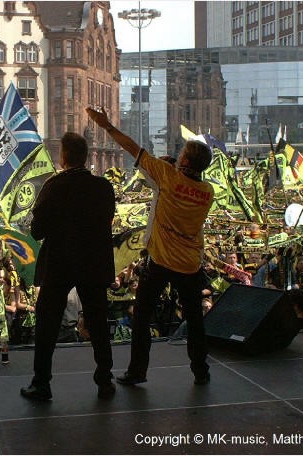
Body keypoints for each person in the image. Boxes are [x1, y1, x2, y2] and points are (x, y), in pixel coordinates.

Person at [87, 106, 214, 386]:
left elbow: (134, 148)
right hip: (190, 264)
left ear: (185, 160)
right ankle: (201, 371)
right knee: (194, 320)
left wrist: (107, 125)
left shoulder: (167, 176)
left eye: (182, 153)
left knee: (142, 317)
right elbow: (186, 184)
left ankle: (137, 371)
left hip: (160, 262)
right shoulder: (208, 192)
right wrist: (171, 167)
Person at [20, 131, 116, 401]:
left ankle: (41, 384)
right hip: (94, 264)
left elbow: (37, 231)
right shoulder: (103, 187)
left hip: (60, 263)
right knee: (97, 323)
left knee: (47, 324)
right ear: (85, 157)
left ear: (63, 157)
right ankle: (105, 381)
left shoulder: (54, 186)